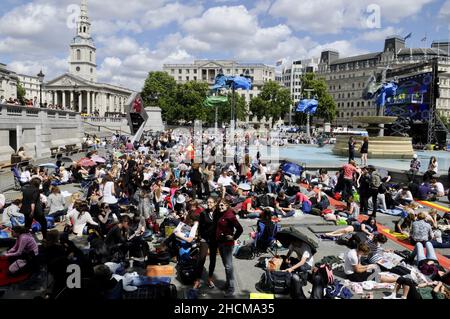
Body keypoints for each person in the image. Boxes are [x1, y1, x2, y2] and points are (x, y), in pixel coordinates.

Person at [216, 199, 243, 297]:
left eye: (222, 205)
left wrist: (234, 237)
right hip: (221, 243)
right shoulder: (221, 213)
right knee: (225, 265)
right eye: (219, 205)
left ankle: (231, 287)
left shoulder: (230, 216)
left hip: (227, 244)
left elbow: (240, 229)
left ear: (227, 205)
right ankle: (227, 284)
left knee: (228, 266)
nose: (220, 207)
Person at [197, 197, 219, 289]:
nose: (209, 204)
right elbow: (200, 226)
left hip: (214, 240)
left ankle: (209, 278)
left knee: (213, 259)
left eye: (211, 202)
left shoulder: (218, 213)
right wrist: (200, 237)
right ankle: (197, 280)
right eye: (208, 202)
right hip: (205, 239)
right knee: (201, 259)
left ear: (214, 203)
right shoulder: (203, 213)